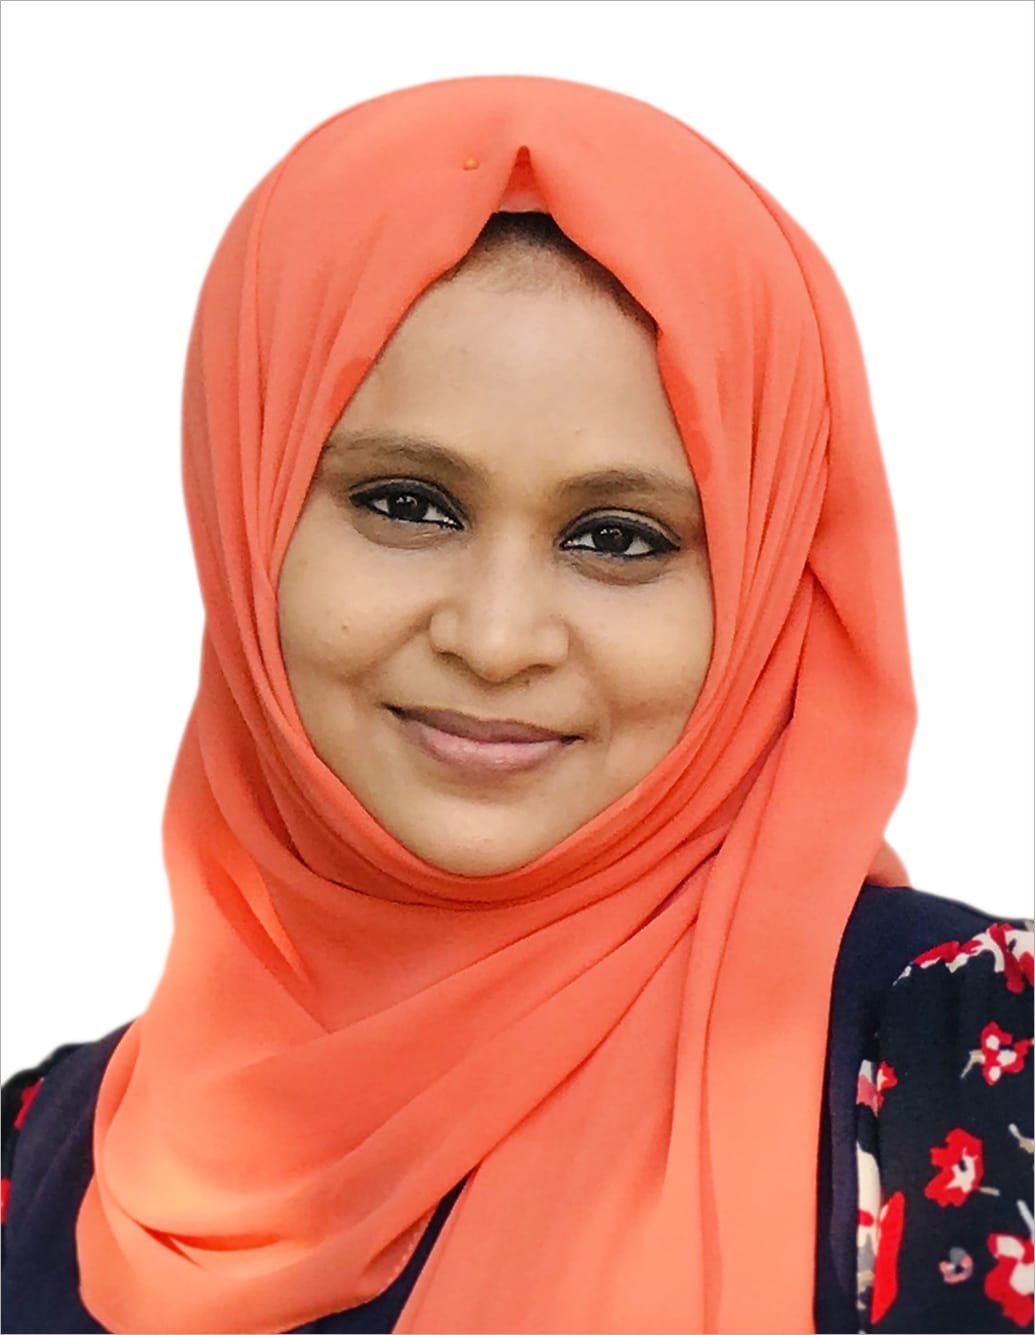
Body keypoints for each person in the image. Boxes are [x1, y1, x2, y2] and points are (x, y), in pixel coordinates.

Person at [1, 75, 1031, 1335]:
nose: (495, 641)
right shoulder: (38, 1156)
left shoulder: (972, 1066)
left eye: (618, 536)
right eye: (406, 505)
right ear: (243, 510)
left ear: (767, 577)